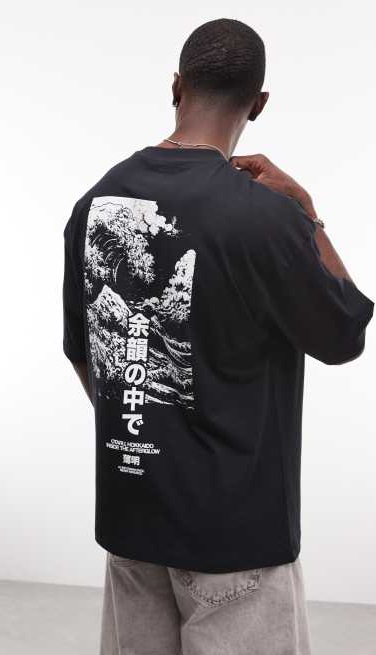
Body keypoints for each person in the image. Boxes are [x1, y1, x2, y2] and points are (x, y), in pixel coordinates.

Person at [61, 18, 374, 655]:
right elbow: (344, 333)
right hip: (235, 539)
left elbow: (86, 353)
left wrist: (153, 431)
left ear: (176, 87)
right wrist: (308, 211)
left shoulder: (95, 203)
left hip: (133, 522)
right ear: (258, 104)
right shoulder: (266, 216)